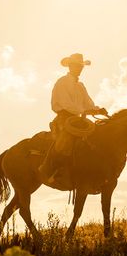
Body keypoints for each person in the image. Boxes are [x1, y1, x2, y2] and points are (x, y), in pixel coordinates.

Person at [39, 53, 108, 187]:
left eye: (81, 66)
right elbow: (66, 104)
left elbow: (88, 104)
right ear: (70, 66)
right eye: (76, 66)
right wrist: (85, 111)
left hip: (78, 120)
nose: (79, 68)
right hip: (64, 118)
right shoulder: (62, 82)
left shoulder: (80, 86)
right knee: (66, 141)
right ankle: (52, 170)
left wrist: (98, 110)